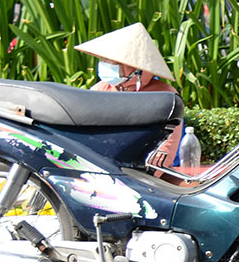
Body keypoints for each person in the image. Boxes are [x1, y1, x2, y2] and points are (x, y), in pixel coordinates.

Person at [77, 22, 187, 172]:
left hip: (142, 173)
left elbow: (167, 147)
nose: (104, 65)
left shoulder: (164, 97)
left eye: (111, 62)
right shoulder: (101, 89)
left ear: (134, 68)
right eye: (103, 60)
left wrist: (145, 176)